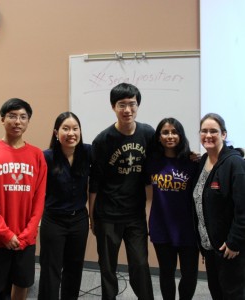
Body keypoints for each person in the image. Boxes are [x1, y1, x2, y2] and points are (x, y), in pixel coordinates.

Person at [0, 98, 47, 300]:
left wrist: (27, 234)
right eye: (12, 116)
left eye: (23, 117)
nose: (17, 121)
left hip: (25, 238)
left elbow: (39, 199)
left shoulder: (36, 155)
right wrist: (3, 233)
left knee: (21, 284)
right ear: (2, 119)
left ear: (28, 121)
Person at [89, 83, 154, 300]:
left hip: (134, 214)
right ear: (113, 107)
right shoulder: (103, 140)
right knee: (107, 267)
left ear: (138, 105)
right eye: (122, 104)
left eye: (132, 104)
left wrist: (189, 156)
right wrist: (92, 215)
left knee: (140, 264)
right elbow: (95, 182)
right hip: (108, 214)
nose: (127, 109)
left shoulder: (148, 133)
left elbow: (163, 158)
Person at [38, 112, 91, 300]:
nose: (71, 133)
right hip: (54, 220)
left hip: (79, 220)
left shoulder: (87, 152)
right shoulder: (46, 157)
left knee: (74, 267)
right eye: (65, 129)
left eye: (75, 129)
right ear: (56, 132)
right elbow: (20, 159)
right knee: (50, 270)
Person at [144, 117, 199, 300]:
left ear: (181, 136)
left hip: (188, 228)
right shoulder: (151, 162)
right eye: (165, 132)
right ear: (158, 137)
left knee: (189, 275)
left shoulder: (192, 162)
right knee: (166, 273)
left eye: (174, 132)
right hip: (161, 226)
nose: (170, 136)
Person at [193, 113, 245, 299]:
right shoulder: (202, 162)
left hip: (229, 248)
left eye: (213, 131)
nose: (208, 135)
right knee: (216, 291)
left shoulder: (235, 164)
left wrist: (235, 242)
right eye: (204, 131)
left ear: (223, 134)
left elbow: (242, 208)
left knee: (232, 294)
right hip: (210, 246)